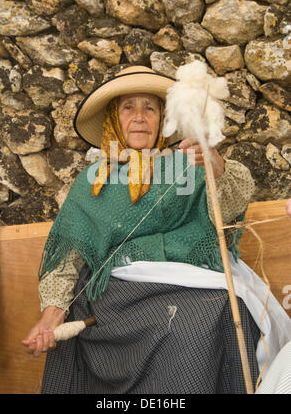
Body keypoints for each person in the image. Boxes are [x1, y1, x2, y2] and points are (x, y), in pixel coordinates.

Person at [22, 66, 291, 394]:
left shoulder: (189, 162)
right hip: (116, 294)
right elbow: (68, 256)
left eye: (149, 108)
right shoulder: (91, 181)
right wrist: (51, 315)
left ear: (163, 119)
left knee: (210, 315)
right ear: (114, 119)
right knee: (182, 324)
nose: (139, 117)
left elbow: (230, 205)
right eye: (128, 107)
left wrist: (216, 168)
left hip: (186, 284)